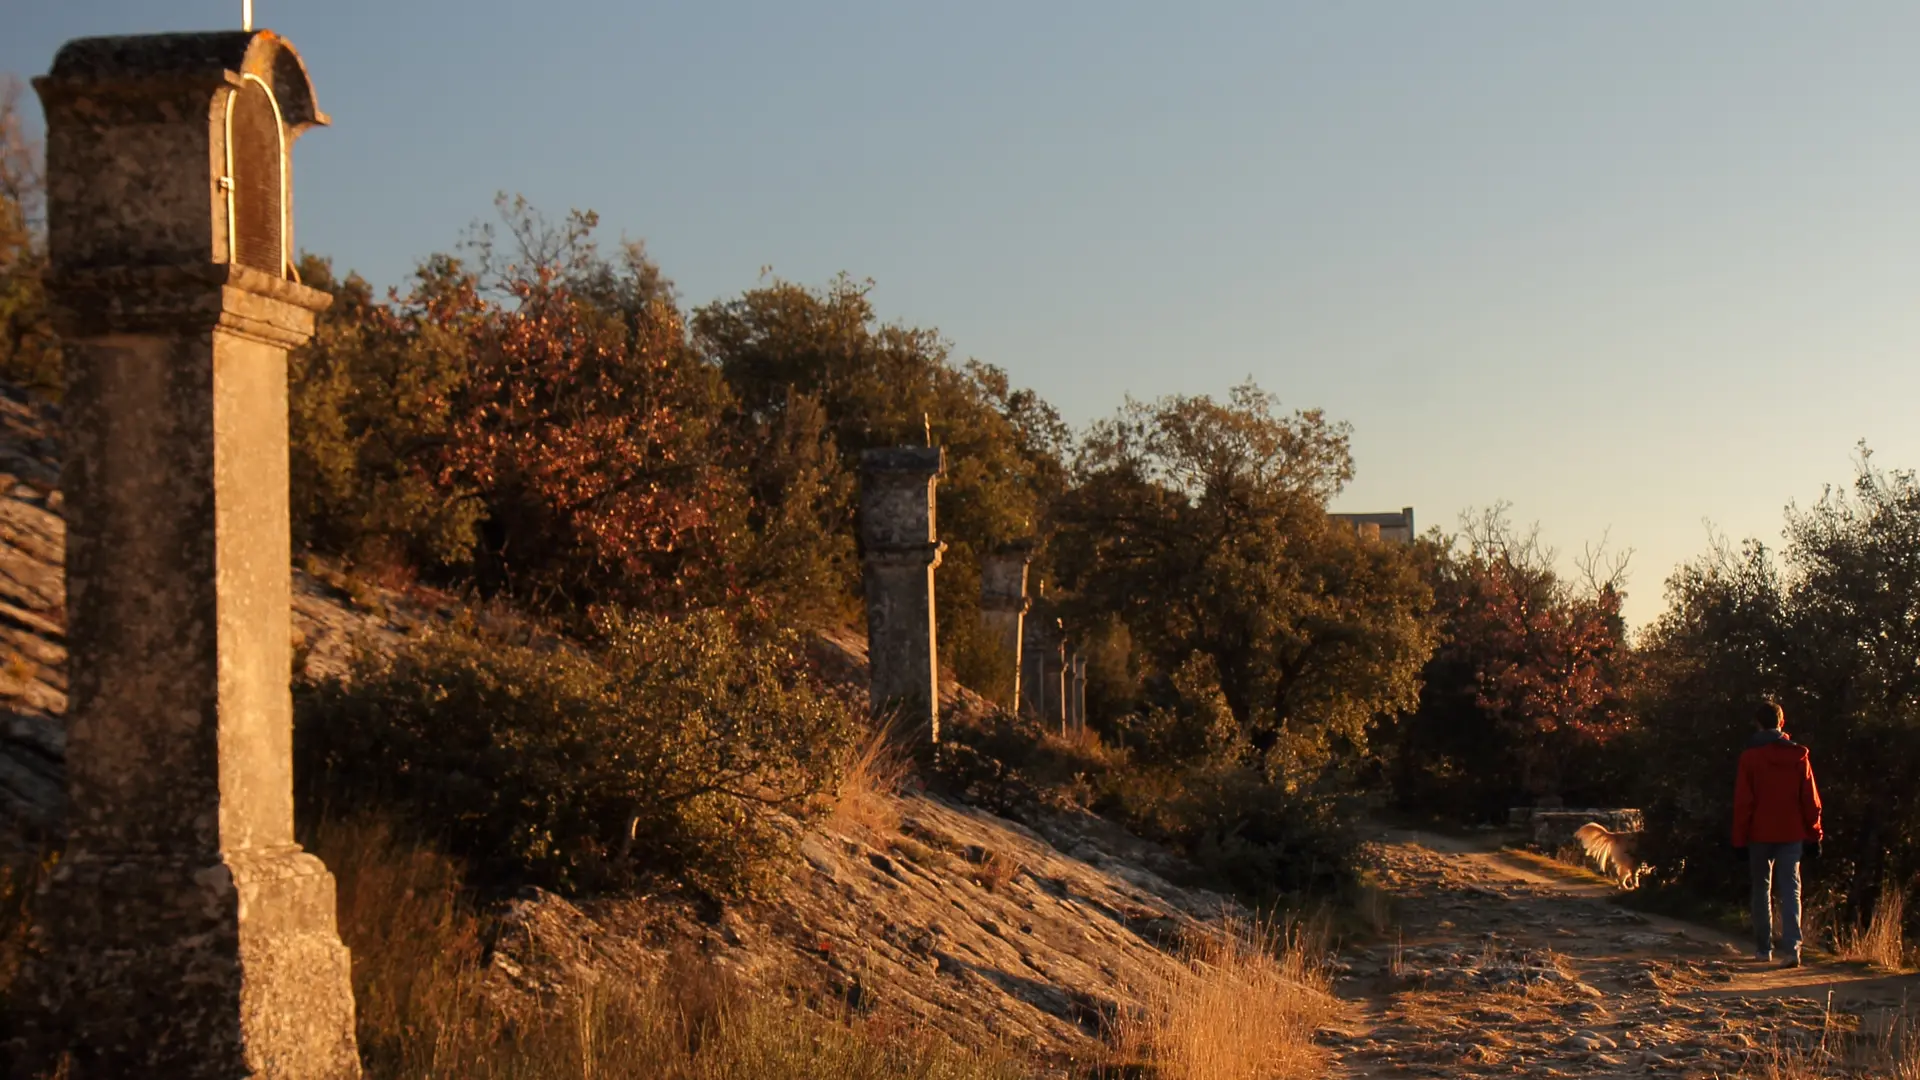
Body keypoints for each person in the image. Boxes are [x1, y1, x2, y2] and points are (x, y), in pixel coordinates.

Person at [1732, 698, 1824, 967]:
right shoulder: (1798, 757)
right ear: (1782, 723)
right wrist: (1815, 834)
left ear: (1757, 724)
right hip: (1791, 832)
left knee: (1761, 889)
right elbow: (1810, 800)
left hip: (1759, 833)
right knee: (1791, 889)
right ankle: (1792, 949)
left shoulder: (1750, 758)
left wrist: (1739, 839)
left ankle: (1764, 949)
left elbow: (1744, 802)